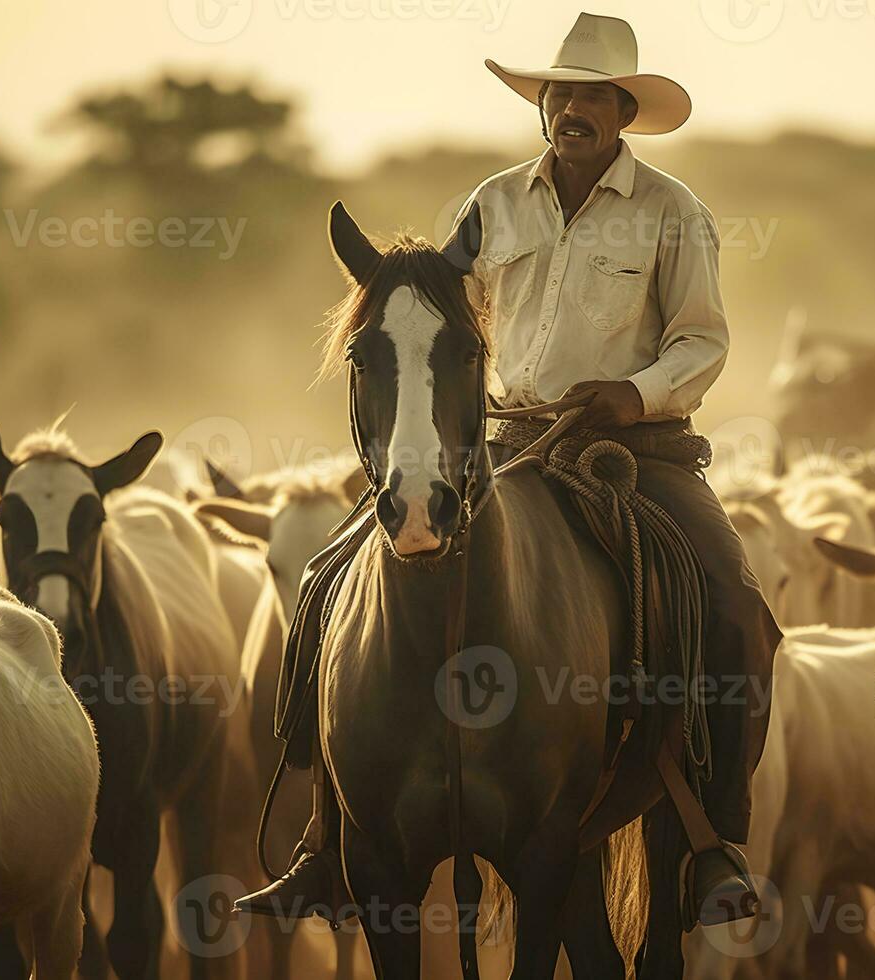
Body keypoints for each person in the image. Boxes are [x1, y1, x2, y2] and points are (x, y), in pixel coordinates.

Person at [235, 11, 779, 928]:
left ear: (622, 112)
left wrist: (634, 393)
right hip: (503, 442)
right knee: (330, 578)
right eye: (558, 93)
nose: (572, 109)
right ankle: (326, 841)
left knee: (736, 607)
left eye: (593, 97)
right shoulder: (492, 205)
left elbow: (702, 341)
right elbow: (448, 326)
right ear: (543, 106)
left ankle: (712, 845)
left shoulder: (674, 212)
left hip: (636, 448)